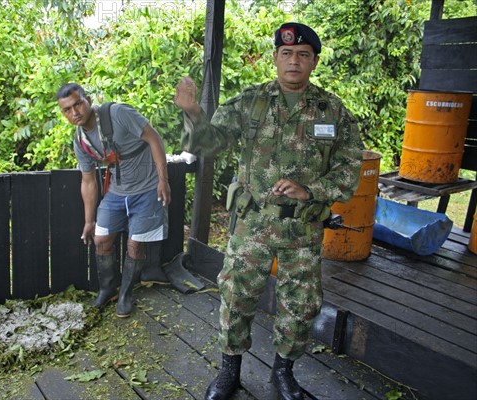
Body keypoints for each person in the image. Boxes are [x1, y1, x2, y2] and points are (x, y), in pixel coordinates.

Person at [174, 22, 363, 400]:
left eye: (303, 55)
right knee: (236, 297)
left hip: (303, 230)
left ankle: (283, 373)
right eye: (287, 53)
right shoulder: (251, 102)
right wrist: (194, 112)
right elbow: (210, 144)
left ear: (314, 62)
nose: (295, 61)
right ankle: (229, 372)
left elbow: (349, 167)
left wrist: (311, 190)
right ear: (275, 58)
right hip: (252, 225)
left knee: (301, 304)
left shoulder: (333, 110)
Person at [57, 83, 171, 318]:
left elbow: (154, 138)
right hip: (117, 192)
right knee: (100, 239)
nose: (75, 112)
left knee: (135, 244)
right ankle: (108, 288)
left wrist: (163, 180)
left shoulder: (117, 113)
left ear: (87, 99)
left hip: (147, 188)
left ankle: (126, 294)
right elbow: (88, 181)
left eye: (78, 103)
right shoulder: (80, 141)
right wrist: (89, 221)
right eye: (67, 110)